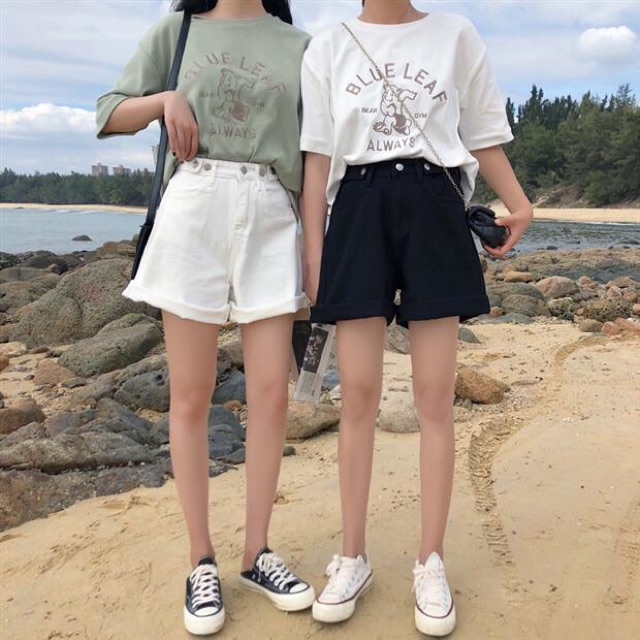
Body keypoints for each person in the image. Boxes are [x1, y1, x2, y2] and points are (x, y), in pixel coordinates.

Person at [299, 0, 533, 636]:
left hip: (435, 205)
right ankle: (352, 557)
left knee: (434, 396)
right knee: (357, 395)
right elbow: (317, 159)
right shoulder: (328, 45)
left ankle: (431, 561)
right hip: (357, 210)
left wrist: (519, 202)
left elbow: (481, 130)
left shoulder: (455, 33)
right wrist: (314, 257)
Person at [96, 0, 314, 635]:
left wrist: (316, 252)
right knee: (191, 395)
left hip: (272, 209)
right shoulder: (178, 28)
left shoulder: (299, 45)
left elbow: (314, 154)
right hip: (194, 201)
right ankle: (202, 562)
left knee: (271, 394)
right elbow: (108, 112)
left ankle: (257, 553)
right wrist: (166, 100)